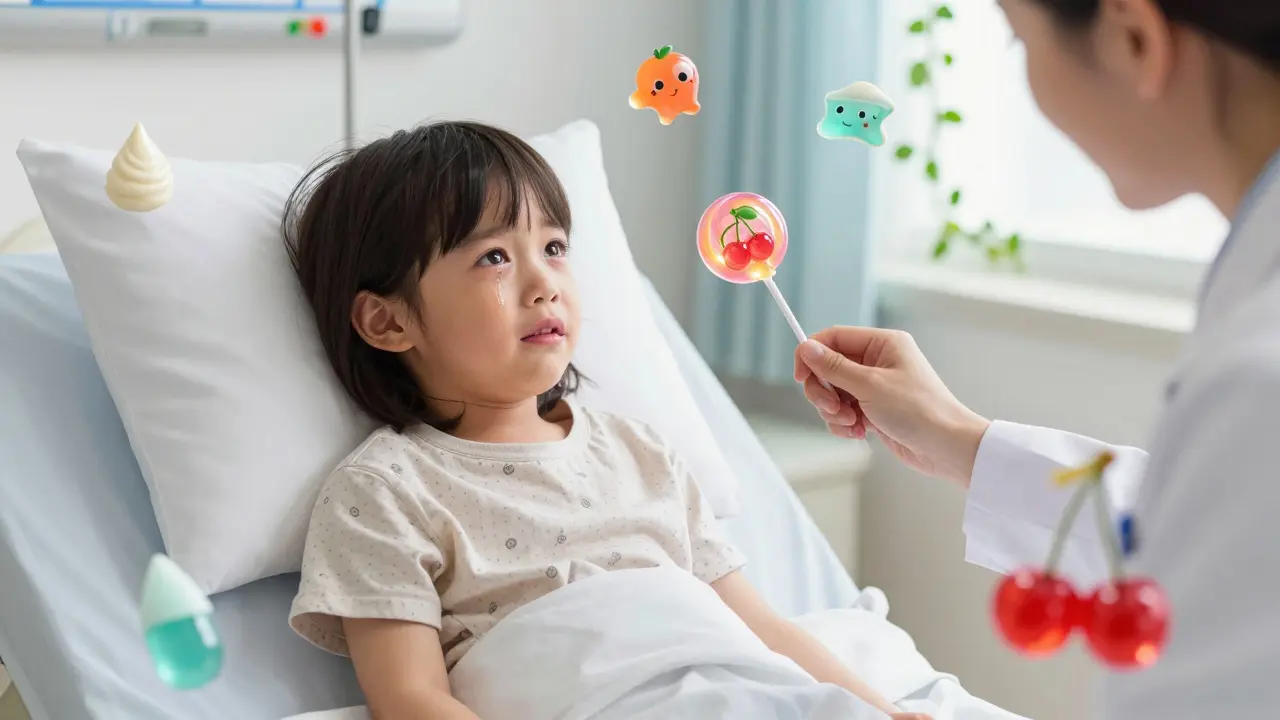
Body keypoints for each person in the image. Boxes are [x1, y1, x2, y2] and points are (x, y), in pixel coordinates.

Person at [280, 121, 928, 719]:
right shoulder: (384, 492)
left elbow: (763, 631)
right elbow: (411, 698)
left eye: (554, 246)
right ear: (387, 321)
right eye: (495, 258)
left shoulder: (639, 451)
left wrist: (881, 710)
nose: (546, 283)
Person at [793, 0, 1280, 718]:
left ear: (1134, 38)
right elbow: (1204, 541)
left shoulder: (1255, 377)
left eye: (1021, 45)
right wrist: (958, 437)